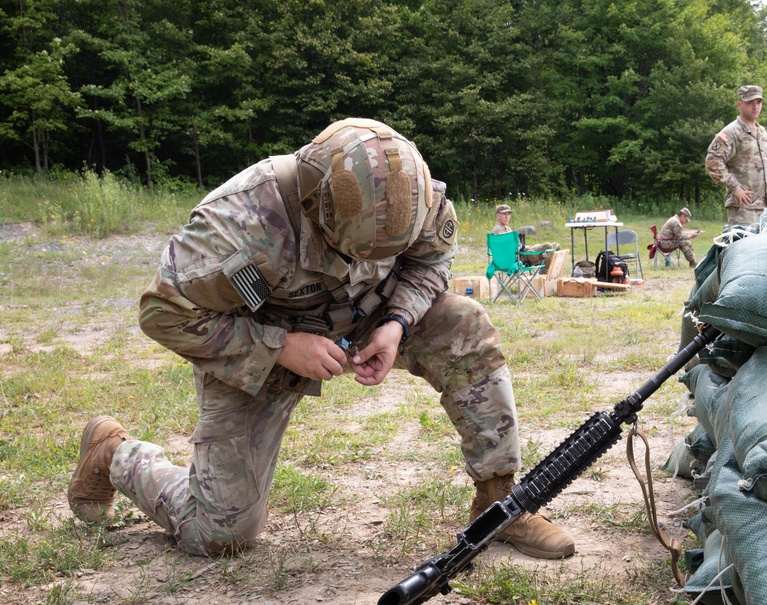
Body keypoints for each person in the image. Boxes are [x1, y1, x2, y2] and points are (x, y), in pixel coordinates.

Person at [66, 119, 575, 560]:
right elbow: (163, 313)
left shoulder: (415, 196)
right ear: (315, 206)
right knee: (220, 536)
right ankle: (116, 454)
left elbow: (429, 262)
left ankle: (500, 503)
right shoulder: (239, 222)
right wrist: (279, 347)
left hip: (366, 317)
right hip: (261, 339)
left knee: (463, 322)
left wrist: (396, 324)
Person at [705, 85, 767, 227]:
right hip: (743, 210)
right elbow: (712, 161)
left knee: (764, 249)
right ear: (739, 105)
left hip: (766, 209)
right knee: (743, 247)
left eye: (758, 102)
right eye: (750, 103)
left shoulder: (762, 132)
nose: (755, 107)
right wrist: (735, 188)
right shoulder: (731, 132)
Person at [492, 204, 560, 270]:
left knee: (548, 257)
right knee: (547, 248)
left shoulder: (507, 229)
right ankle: (546, 249)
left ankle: (543, 276)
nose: (507, 217)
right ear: (498, 216)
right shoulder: (498, 231)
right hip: (518, 259)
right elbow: (508, 249)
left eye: (508, 214)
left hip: (521, 255)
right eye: (504, 214)